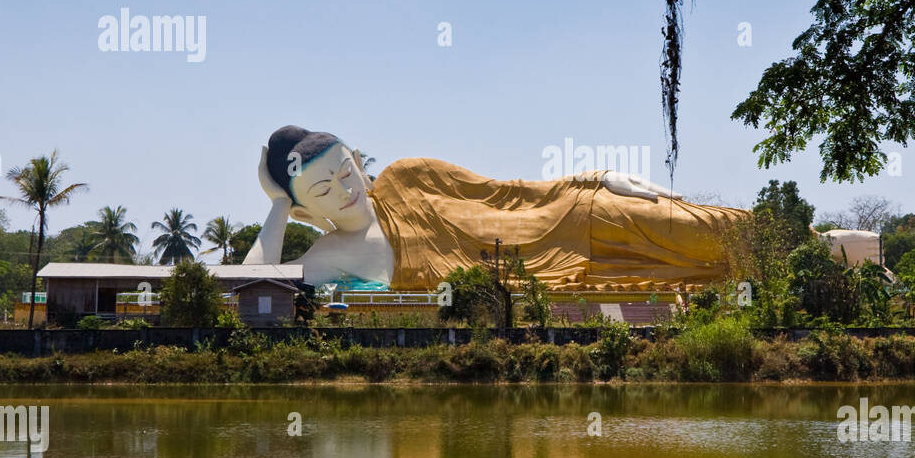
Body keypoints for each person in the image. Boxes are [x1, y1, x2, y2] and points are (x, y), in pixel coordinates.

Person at [243, 125, 749, 290]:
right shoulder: (331, 255)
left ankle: (816, 246)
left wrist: (594, 177)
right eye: (323, 190)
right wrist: (277, 208)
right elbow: (243, 289)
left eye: (344, 170)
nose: (345, 189)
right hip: (559, 280)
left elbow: (505, 193)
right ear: (307, 209)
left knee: (718, 233)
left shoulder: (408, 177)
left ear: (355, 158)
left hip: (576, 215)